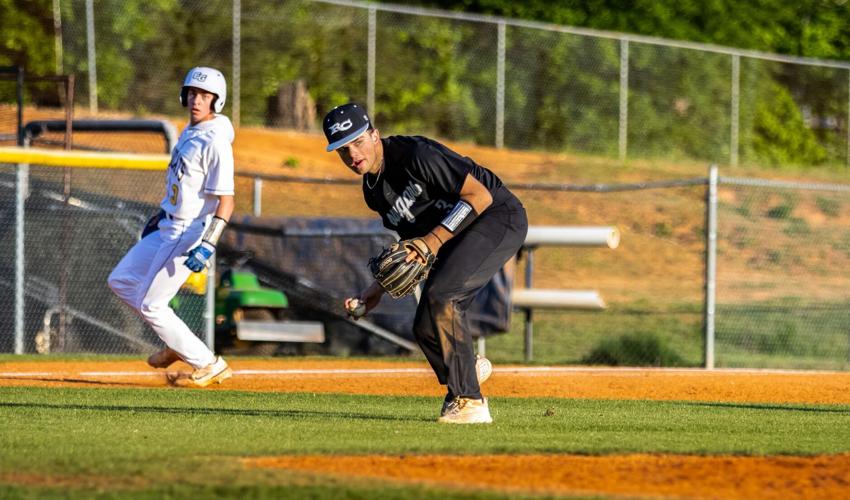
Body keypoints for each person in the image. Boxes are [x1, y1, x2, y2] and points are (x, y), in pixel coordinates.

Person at [324, 103, 528, 424]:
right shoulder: (373, 192)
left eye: (358, 141)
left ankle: (470, 400)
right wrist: (374, 291)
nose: (352, 153)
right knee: (424, 326)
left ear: (375, 135)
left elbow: (480, 197)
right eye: (342, 149)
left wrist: (432, 241)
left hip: (496, 217)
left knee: (443, 298)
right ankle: (466, 371)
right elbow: (413, 248)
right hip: (454, 235)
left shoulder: (415, 155)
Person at [108, 66, 235, 387]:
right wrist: (161, 213)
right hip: (168, 224)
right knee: (121, 281)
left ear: (216, 102)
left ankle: (209, 363)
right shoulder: (189, 131)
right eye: (192, 93)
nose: (197, 100)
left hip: (189, 232)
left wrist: (208, 244)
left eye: (205, 96)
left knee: (153, 304)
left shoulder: (216, 141)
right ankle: (177, 341)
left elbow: (227, 202)